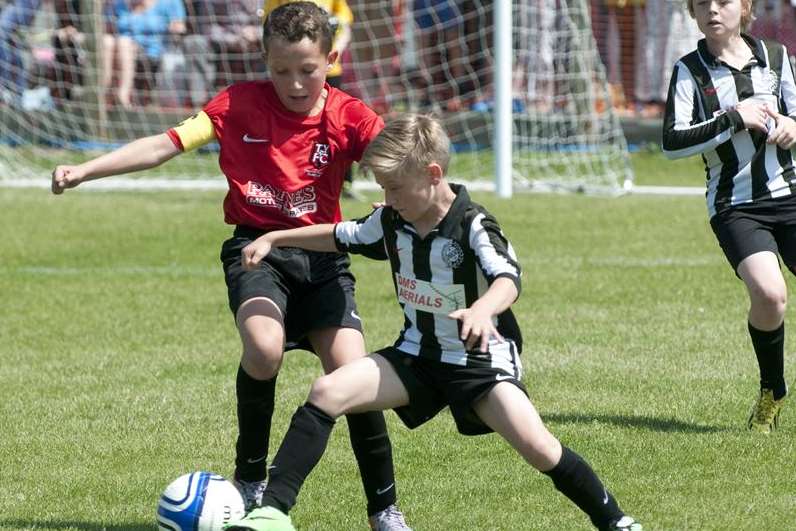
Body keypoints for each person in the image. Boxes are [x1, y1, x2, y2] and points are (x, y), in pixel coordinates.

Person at [50, 3, 410, 530]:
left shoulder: (348, 115)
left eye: (307, 70)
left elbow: (392, 156)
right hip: (256, 251)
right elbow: (163, 144)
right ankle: (250, 478)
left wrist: (392, 198)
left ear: (330, 59)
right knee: (263, 350)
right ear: (262, 59)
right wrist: (85, 169)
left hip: (324, 261)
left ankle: (384, 510)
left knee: (353, 377)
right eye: (280, 70)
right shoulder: (237, 104)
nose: (293, 82)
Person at [223, 114, 644, 531]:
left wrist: (483, 310)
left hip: (479, 363)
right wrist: (275, 238)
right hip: (417, 356)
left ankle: (615, 520)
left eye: (395, 188)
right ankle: (272, 512)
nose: (388, 199)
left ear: (433, 174)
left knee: (539, 448)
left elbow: (508, 278)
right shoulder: (392, 220)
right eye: (384, 189)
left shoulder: (473, 224)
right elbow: (341, 234)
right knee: (328, 390)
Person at [662, 0, 795, 433]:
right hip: (736, 206)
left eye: (723, 2)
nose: (712, 11)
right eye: (702, 4)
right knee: (771, 295)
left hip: (791, 194)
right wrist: (733, 117)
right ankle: (771, 390)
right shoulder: (689, 70)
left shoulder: (775, 57)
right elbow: (672, 141)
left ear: (746, 8)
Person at [263, 0, 361, 200]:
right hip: (294, 65)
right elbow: (269, 25)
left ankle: (345, 180)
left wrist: (332, 49)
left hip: (329, 70)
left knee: (337, 125)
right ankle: (291, 178)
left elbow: (344, 25)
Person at [104, 0, 187, 108]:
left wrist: (176, 28)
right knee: (107, 42)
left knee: (123, 43)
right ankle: (104, 93)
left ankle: (122, 96)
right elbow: (106, 29)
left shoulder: (169, 2)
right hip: (119, 49)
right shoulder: (118, 4)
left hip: (152, 51)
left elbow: (181, 27)